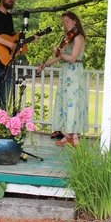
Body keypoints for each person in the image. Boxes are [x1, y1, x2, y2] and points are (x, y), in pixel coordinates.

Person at [37, 11, 88, 146]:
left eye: (67, 21)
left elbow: (72, 58)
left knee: (74, 102)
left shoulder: (78, 38)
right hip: (66, 72)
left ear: (74, 21)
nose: (65, 25)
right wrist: (45, 64)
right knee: (65, 102)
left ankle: (75, 136)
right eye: (63, 23)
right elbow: (59, 57)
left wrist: (59, 52)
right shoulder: (67, 38)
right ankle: (68, 135)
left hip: (74, 71)